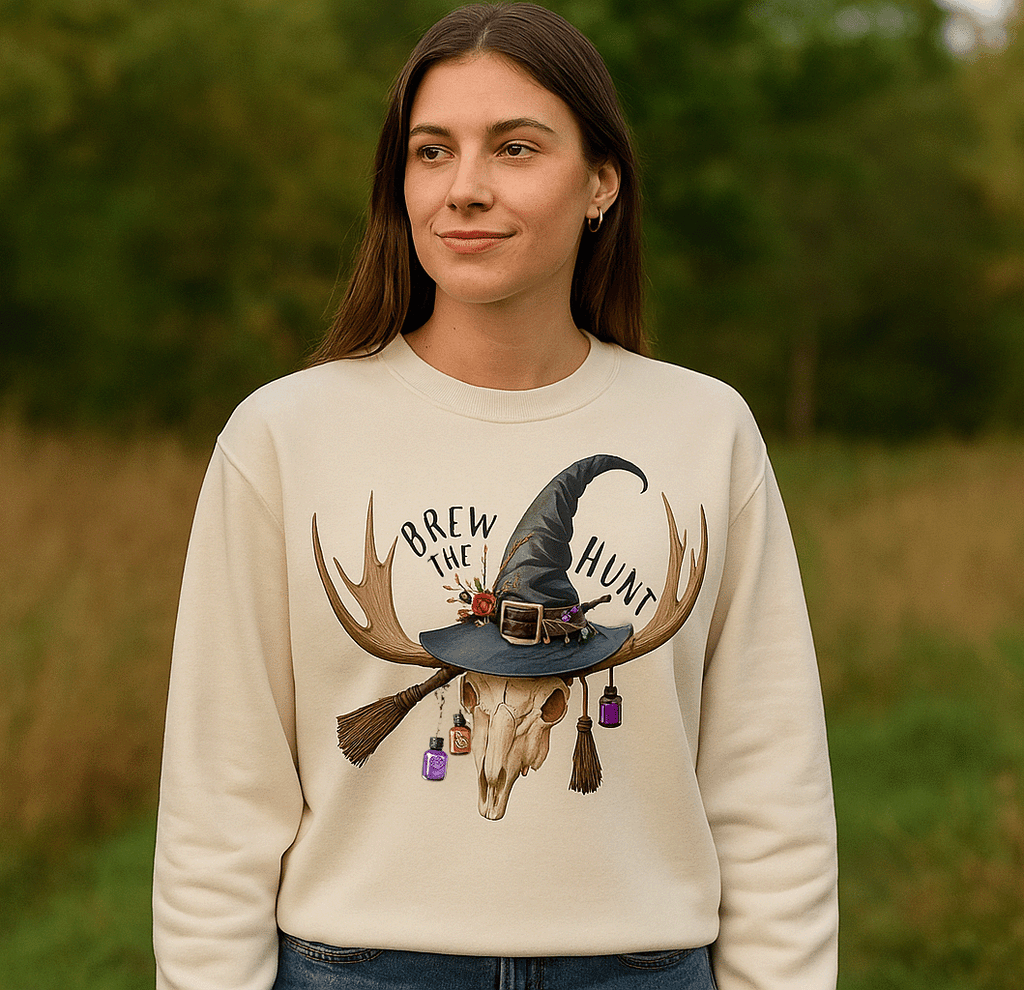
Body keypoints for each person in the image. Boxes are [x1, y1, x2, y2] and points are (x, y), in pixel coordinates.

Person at [152, 4, 838, 989]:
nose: (464, 189)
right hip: (359, 968)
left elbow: (769, 782)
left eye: (514, 148)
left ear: (601, 182)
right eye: (433, 152)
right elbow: (219, 797)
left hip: (639, 968)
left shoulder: (702, 429)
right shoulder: (284, 435)